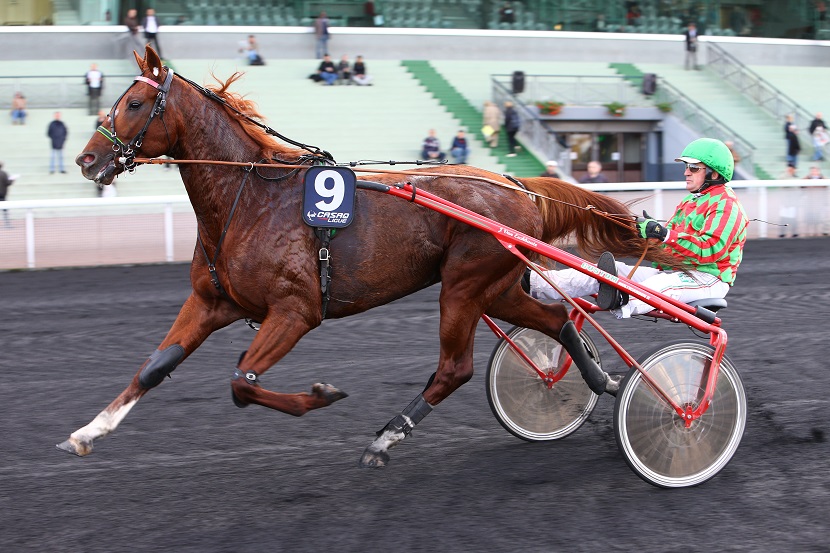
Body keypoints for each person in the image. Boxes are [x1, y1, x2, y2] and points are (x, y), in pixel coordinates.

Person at [524, 138, 748, 320]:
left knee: (658, 285)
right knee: (598, 271)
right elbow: (673, 244)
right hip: (677, 273)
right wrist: (650, 235)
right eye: (686, 167)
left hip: (707, 280)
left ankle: (622, 300)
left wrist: (664, 234)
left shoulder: (727, 206)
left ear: (714, 174)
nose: (686, 172)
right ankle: (533, 282)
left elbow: (710, 250)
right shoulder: (692, 202)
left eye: (693, 168)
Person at [0, 161, 14, 228]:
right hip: (2, 194)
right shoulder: (4, 173)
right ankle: (7, 224)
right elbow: (8, 183)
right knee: (5, 209)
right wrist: (12, 179)